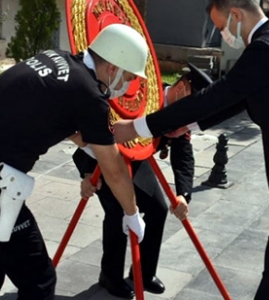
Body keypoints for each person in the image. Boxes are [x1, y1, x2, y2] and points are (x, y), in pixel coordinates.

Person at [112, 0, 269, 300]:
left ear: (236, 15)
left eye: (222, 27)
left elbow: (219, 95)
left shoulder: (267, 49)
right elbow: (238, 101)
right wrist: (187, 124)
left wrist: (139, 127)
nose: (224, 34)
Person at [0, 24, 149, 300]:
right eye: (128, 77)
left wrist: (119, 135)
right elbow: (115, 171)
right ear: (113, 68)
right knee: (39, 279)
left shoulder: (57, 60)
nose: (127, 85)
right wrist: (132, 213)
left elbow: (69, 126)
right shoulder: (90, 95)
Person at [71, 65, 212, 299]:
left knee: (157, 208)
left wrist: (183, 194)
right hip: (102, 157)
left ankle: (145, 274)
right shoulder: (144, 97)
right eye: (193, 103)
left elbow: (183, 151)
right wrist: (88, 174)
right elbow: (96, 132)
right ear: (182, 88)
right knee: (117, 211)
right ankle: (110, 277)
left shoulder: (181, 116)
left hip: (137, 158)